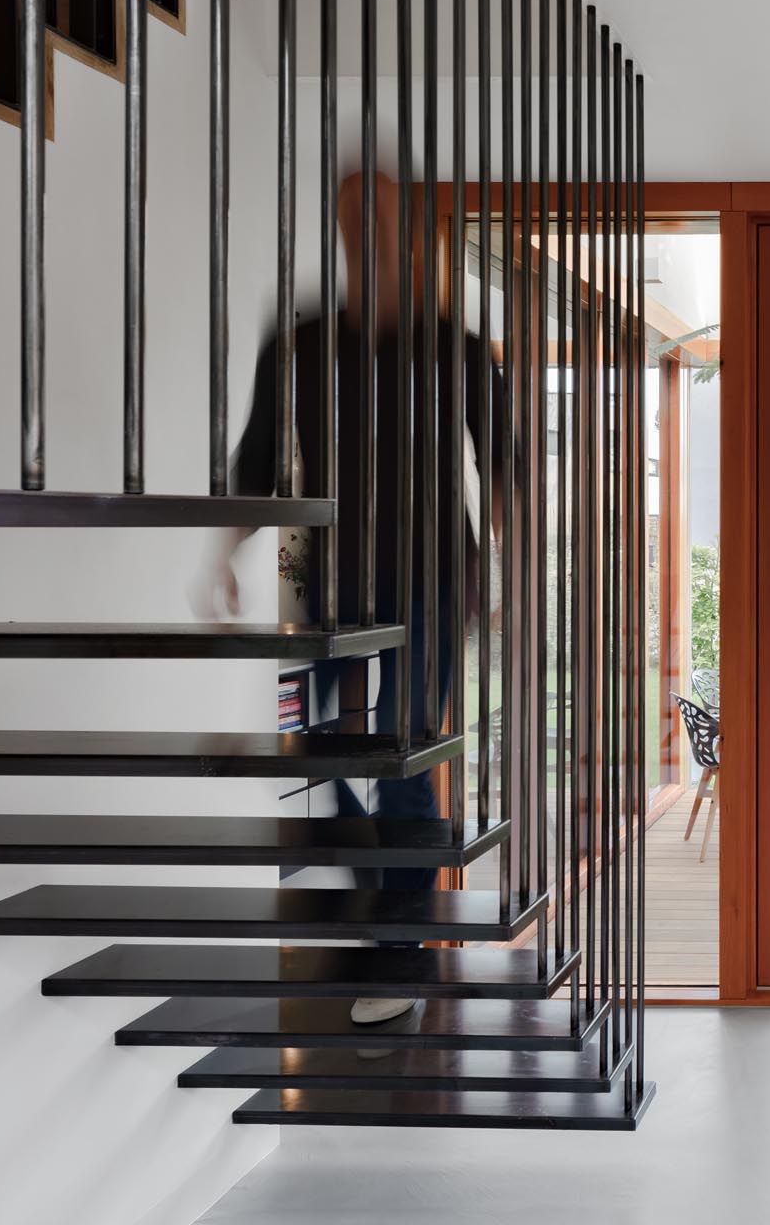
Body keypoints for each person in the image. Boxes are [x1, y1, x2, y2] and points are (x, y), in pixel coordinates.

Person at [194, 175, 506, 1025]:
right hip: (335, 585)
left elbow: (503, 464)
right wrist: (225, 550)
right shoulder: (299, 345)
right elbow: (259, 459)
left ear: (414, 237)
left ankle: (398, 951)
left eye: (385, 221)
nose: (368, 236)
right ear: (339, 232)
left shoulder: (455, 349)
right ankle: (386, 912)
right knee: (327, 757)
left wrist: (509, 569)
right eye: (353, 220)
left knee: (403, 762)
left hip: (433, 586)